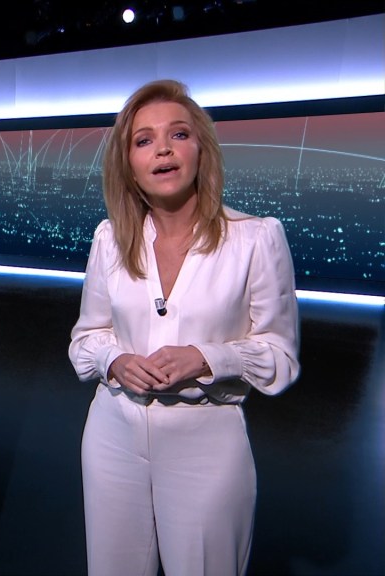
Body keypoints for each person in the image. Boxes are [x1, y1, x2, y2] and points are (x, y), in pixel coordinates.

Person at [68, 79, 300, 576]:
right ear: (128, 164)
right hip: (112, 437)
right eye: (144, 140)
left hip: (206, 446)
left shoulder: (256, 238)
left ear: (201, 150)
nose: (163, 149)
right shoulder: (110, 240)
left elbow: (280, 358)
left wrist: (208, 358)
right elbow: (86, 340)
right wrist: (115, 360)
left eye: (178, 134)